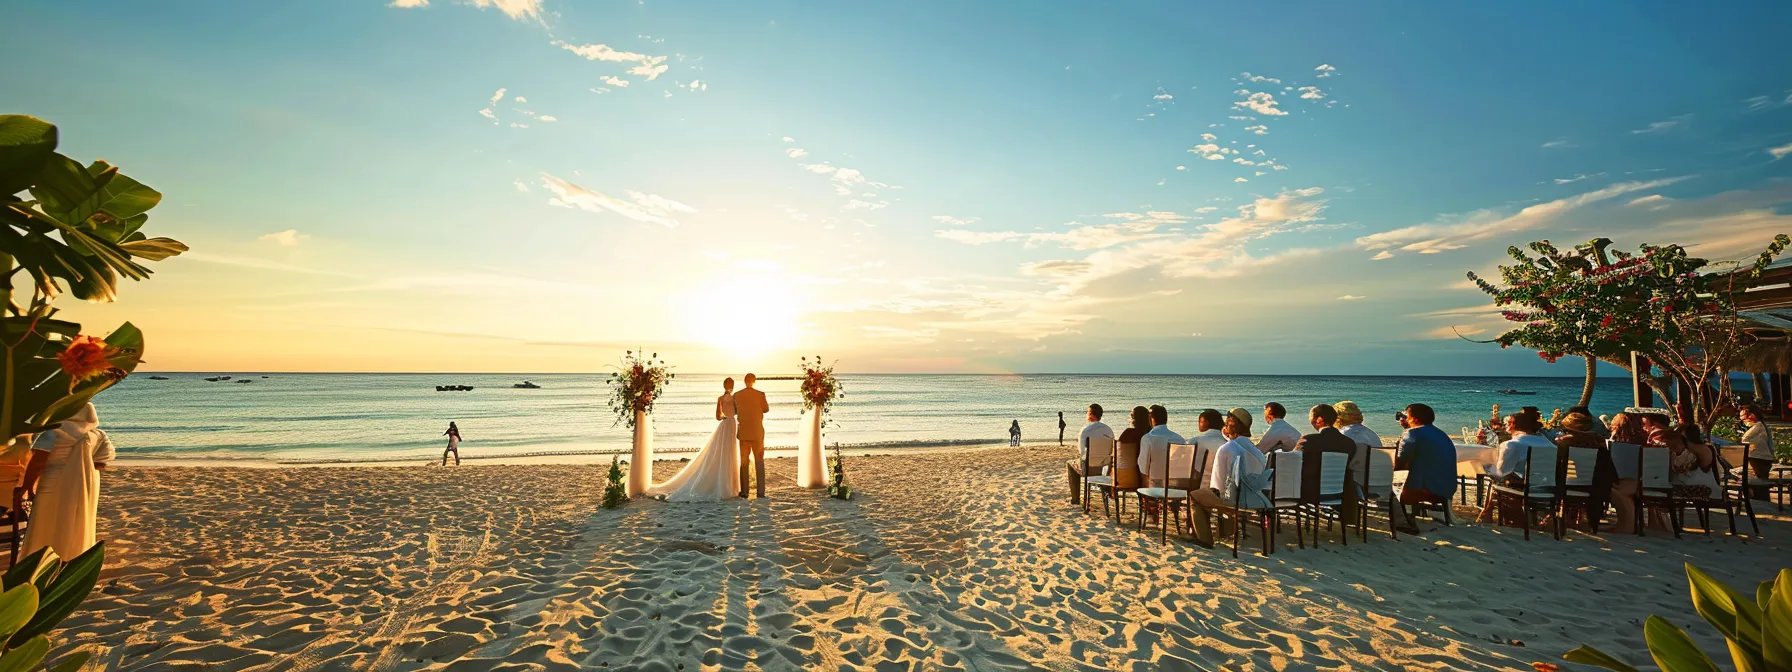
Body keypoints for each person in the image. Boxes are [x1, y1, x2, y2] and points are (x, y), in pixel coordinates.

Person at [16, 404, 114, 561]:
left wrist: (27, 485)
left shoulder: (54, 431)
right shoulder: (98, 435)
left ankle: (41, 559)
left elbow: (38, 463)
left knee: (46, 519)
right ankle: (72, 556)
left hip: (53, 483)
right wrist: (79, 467)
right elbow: (100, 464)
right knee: (76, 518)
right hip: (84, 485)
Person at [648, 378, 743, 502]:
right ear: (732, 386)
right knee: (730, 452)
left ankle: (725, 483)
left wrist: (725, 415)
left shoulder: (720, 398)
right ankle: (730, 486)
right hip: (731, 424)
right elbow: (736, 412)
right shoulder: (735, 398)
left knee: (724, 452)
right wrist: (730, 415)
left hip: (725, 424)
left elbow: (718, 417)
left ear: (724, 386)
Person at [1188, 408, 1267, 547]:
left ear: (1232, 425)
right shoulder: (1257, 452)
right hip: (1254, 499)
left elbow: (1218, 485)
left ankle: (1204, 540)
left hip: (1234, 501)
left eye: (1227, 422)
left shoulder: (1227, 448)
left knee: (1196, 496)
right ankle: (1226, 532)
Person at [1478, 413, 1556, 524]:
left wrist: (1486, 465)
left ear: (1513, 425)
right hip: (1549, 491)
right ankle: (1487, 515)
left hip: (1525, 491)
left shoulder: (1512, 444)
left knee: (1496, 481)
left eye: (1507, 422)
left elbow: (1501, 473)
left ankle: (1488, 515)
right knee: (1506, 481)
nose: (1504, 424)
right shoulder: (1551, 445)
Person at [1390, 403, 1456, 534]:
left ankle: (1406, 522)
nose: (1404, 418)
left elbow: (1400, 463)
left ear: (1414, 418)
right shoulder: (1441, 434)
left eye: (1406, 415)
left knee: (1389, 488)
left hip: (1424, 489)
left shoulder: (1412, 433)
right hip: (1447, 489)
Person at [1294, 404, 1360, 523]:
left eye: (1311, 419)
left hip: (1309, 493)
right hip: (1338, 492)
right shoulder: (1349, 443)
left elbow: (1294, 464)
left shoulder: (1308, 440)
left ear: (1319, 420)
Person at [1556, 411, 1618, 531]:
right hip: (1594, 489)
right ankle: (1586, 519)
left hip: (1566, 486)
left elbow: (1557, 467)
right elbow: (1608, 471)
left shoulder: (1564, 445)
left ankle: (1559, 517)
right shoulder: (1599, 446)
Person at [1067, 404, 1116, 504]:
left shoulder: (1085, 430)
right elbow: (1110, 451)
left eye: (1087, 412)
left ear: (1090, 414)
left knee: (1070, 464)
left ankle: (1075, 499)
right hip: (1104, 468)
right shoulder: (1108, 430)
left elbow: (1082, 452)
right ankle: (1106, 489)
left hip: (1088, 469)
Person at [735, 373, 771, 499]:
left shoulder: (737, 395)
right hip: (757, 433)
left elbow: (735, 411)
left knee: (744, 463)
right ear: (754, 381)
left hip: (744, 433)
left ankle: (745, 492)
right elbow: (766, 409)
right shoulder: (760, 394)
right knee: (759, 461)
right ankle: (760, 492)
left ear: (745, 381)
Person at [1137, 405, 1187, 489]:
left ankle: (1148, 499)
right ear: (1166, 419)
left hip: (1156, 484)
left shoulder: (1148, 438)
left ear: (1150, 419)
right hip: (1177, 485)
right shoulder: (1179, 438)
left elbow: (1143, 466)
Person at [1333, 401, 1381, 485]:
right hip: (1378, 481)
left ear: (1338, 418)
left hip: (1356, 485)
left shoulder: (1343, 435)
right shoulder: (1372, 434)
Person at [1740, 404, 1776, 500]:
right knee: (1760, 483)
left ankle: (1762, 502)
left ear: (1752, 415)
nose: (1743, 420)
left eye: (1744, 418)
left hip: (1759, 459)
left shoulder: (1758, 427)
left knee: (1760, 484)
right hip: (1761, 458)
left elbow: (1745, 440)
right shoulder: (1760, 426)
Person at [1112, 406, 1151, 492]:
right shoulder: (1151, 435)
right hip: (1149, 479)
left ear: (1133, 418)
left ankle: (1109, 491)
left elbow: (1119, 454)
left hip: (1127, 479)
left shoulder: (1128, 434)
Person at [1186, 409, 1230, 481]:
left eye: (1199, 422)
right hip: (1220, 484)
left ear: (1205, 422)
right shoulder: (1228, 443)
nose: (1198, 424)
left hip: (1197, 485)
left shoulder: (1194, 441)